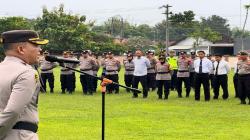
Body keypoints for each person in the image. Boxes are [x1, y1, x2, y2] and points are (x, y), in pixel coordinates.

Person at [0, 30, 48, 140]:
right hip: (19, 135)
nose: (40, 50)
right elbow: (13, 111)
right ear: (21, 49)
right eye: (36, 45)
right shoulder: (26, 72)